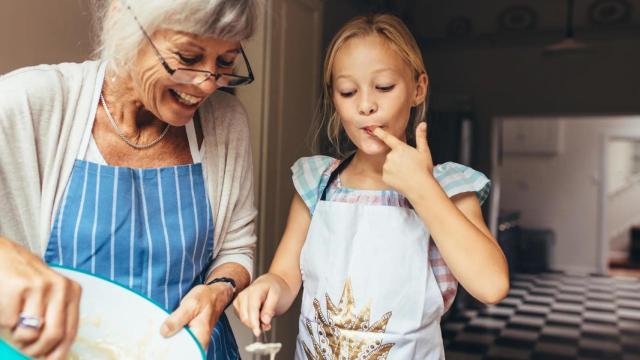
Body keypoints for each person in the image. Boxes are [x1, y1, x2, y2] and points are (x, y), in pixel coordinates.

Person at [233, 14, 509, 359]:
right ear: (334, 98)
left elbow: (492, 286)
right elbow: (286, 278)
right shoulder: (316, 184)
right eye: (348, 91)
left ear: (418, 88)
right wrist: (268, 286)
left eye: (383, 87)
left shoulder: (450, 187)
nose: (366, 105)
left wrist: (423, 189)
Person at [0, 0, 260, 358]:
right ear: (125, 21)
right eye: (187, 57)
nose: (206, 83)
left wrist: (218, 290)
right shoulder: (30, 102)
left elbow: (236, 246)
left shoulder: (227, 123)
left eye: (226, 62)